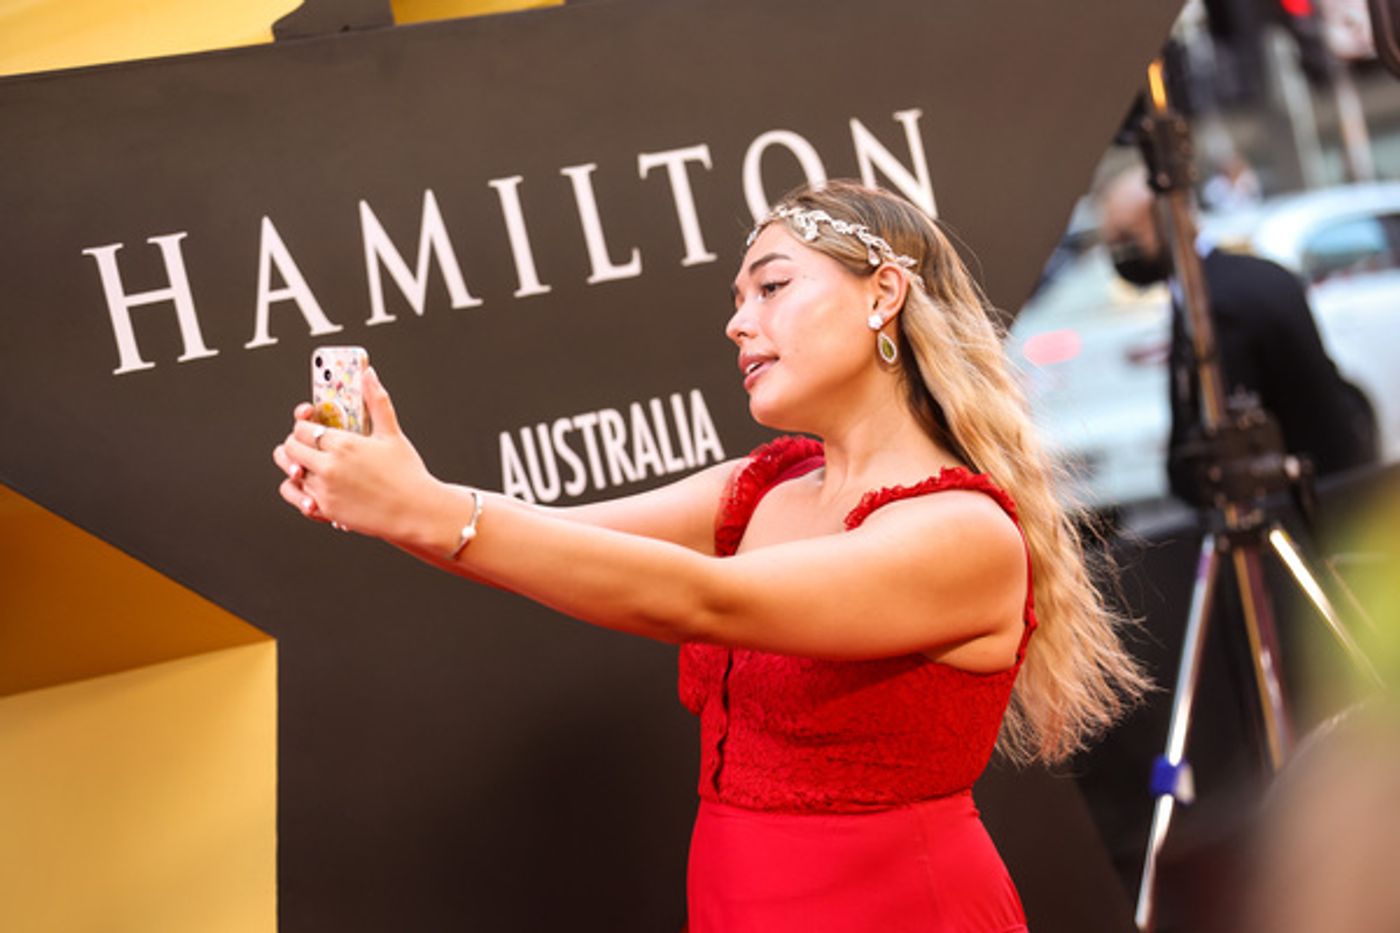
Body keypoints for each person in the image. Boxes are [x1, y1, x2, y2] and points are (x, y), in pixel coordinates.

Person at [273, 180, 1149, 932]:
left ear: (884, 295)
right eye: (738, 299)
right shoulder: (764, 485)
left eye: (770, 288)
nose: (739, 322)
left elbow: (704, 600)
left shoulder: (961, 530)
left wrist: (426, 508)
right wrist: (390, 500)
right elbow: (551, 540)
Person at [1098, 167, 1375, 504]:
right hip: (1324, 492)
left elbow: (1227, 435)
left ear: (1170, 219)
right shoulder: (1252, 276)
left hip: (1292, 509)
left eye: (1126, 237)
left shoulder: (1213, 304)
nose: (1121, 253)